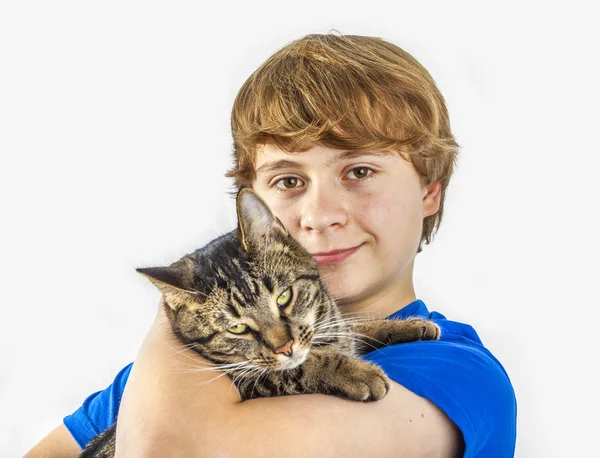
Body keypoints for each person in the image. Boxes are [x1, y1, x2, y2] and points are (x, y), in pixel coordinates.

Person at [25, 33, 517, 457]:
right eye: (287, 181)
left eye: (360, 171)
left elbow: (169, 450)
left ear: (430, 190)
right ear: (252, 200)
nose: (320, 215)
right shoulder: (186, 363)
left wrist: (179, 313)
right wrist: (190, 296)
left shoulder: (457, 375)